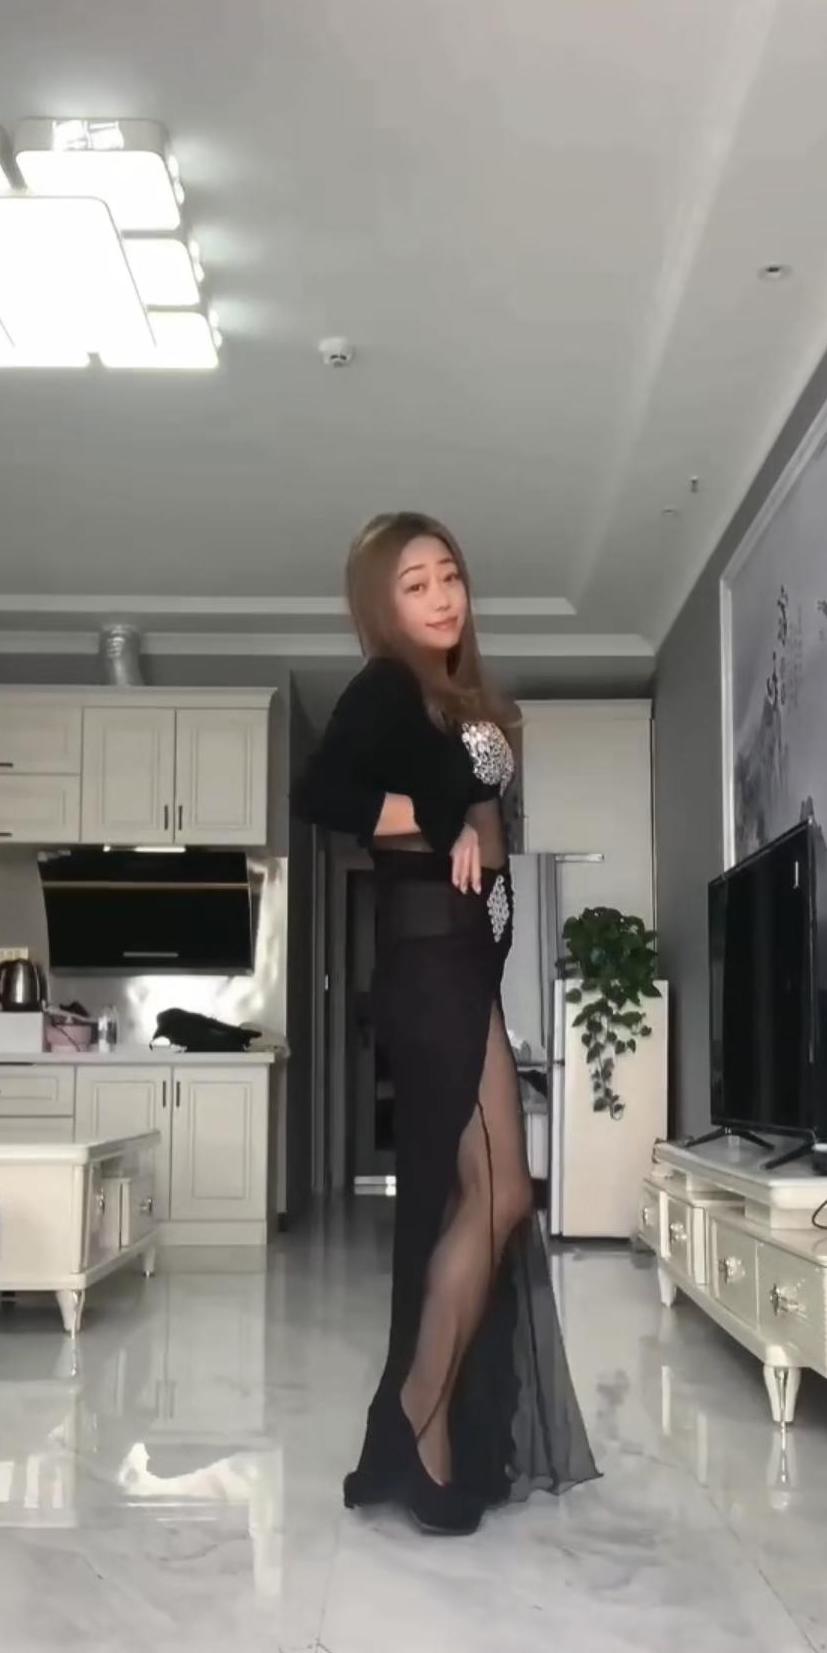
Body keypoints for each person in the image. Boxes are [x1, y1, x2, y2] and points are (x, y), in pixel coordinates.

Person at [293, 512, 599, 1535]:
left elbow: (463, 789)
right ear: (383, 606)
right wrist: (434, 820)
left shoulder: (451, 697)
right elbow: (321, 791)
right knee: (500, 1192)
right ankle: (419, 1422)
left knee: (488, 1195)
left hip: (466, 965)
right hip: (433, 969)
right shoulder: (387, 684)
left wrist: (468, 813)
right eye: (414, 583)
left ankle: (419, 1425)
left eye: (449, 575)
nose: (439, 596)